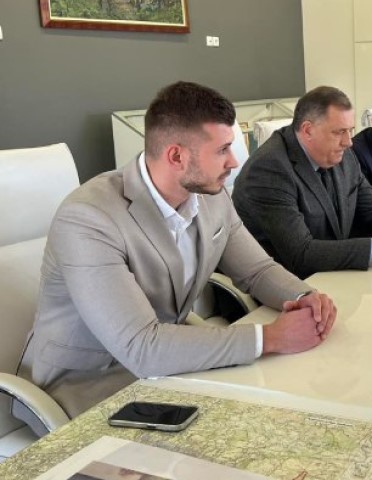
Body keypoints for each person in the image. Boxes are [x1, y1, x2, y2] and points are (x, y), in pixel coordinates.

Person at [17, 81, 337, 420]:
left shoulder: (211, 197)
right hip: (86, 387)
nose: (234, 162)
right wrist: (268, 338)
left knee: (281, 406)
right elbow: (142, 347)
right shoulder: (88, 218)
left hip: (168, 367)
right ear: (176, 156)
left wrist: (305, 297)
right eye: (222, 150)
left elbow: (257, 270)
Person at [232, 86, 372, 279]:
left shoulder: (343, 155)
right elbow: (301, 254)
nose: (349, 142)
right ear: (308, 130)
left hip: (335, 278)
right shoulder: (270, 170)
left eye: (350, 131)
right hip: (289, 290)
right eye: (340, 132)